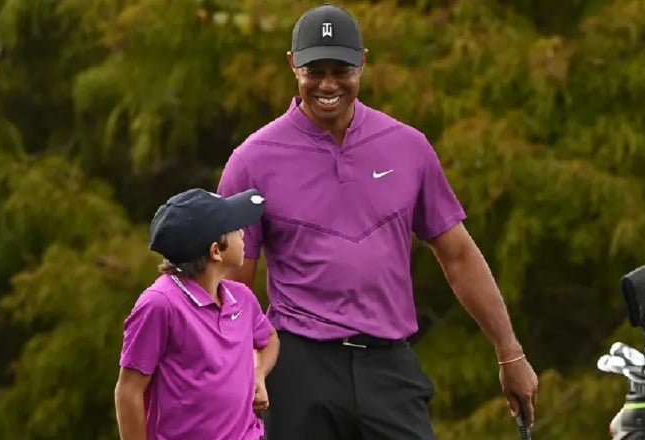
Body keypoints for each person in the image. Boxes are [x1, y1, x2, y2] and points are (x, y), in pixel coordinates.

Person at [217, 3, 538, 439]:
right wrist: (234, 373)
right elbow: (231, 285)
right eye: (315, 70)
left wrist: (509, 351)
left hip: (388, 365)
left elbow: (458, 254)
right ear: (293, 65)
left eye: (341, 69)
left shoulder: (408, 147)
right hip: (298, 366)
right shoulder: (253, 160)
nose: (328, 84)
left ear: (363, 62)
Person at [114, 188, 280, 440]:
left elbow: (269, 340)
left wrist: (258, 374)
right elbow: (129, 392)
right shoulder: (159, 305)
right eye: (235, 228)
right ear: (216, 251)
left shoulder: (242, 298)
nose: (244, 233)